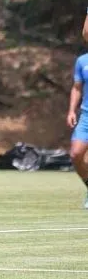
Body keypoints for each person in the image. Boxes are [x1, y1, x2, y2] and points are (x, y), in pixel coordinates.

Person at [67, 52, 88, 209]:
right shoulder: (82, 60)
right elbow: (77, 88)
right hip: (86, 115)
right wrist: (71, 111)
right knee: (76, 154)